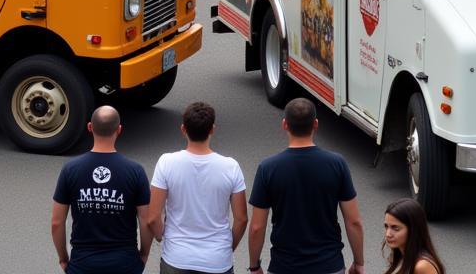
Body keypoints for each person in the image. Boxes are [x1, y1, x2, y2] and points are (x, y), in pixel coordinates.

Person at [247, 98, 364, 274]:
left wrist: (255, 266)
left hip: (284, 266)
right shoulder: (337, 164)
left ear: (285, 124)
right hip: (329, 265)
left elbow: (257, 227)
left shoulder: (268, 168)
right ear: (315, 124)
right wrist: (359, 262)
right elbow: (353, 221)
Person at [148, 101, 248, 274]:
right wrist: (224, 248)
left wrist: (159, 236)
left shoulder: (166, 162)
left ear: (183, 129)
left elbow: (152, 217)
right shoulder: (231, 167)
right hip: (217, 261)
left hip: (176, 259)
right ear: (212, 130)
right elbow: (241, 219)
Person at [51, 106, 152, 274]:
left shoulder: (71, 169)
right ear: (119, 130)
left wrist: (63, 258)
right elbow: (145, 220)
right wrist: (143, 254)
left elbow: (56, 222)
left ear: (90, 127)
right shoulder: (135, 171)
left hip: (82, 264)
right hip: (125, 264)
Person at [381, 199, 445, 274]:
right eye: (386, 226)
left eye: (395, 228)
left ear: (413, 229)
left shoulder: (422, 266)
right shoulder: (401, 255)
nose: (388, 234)